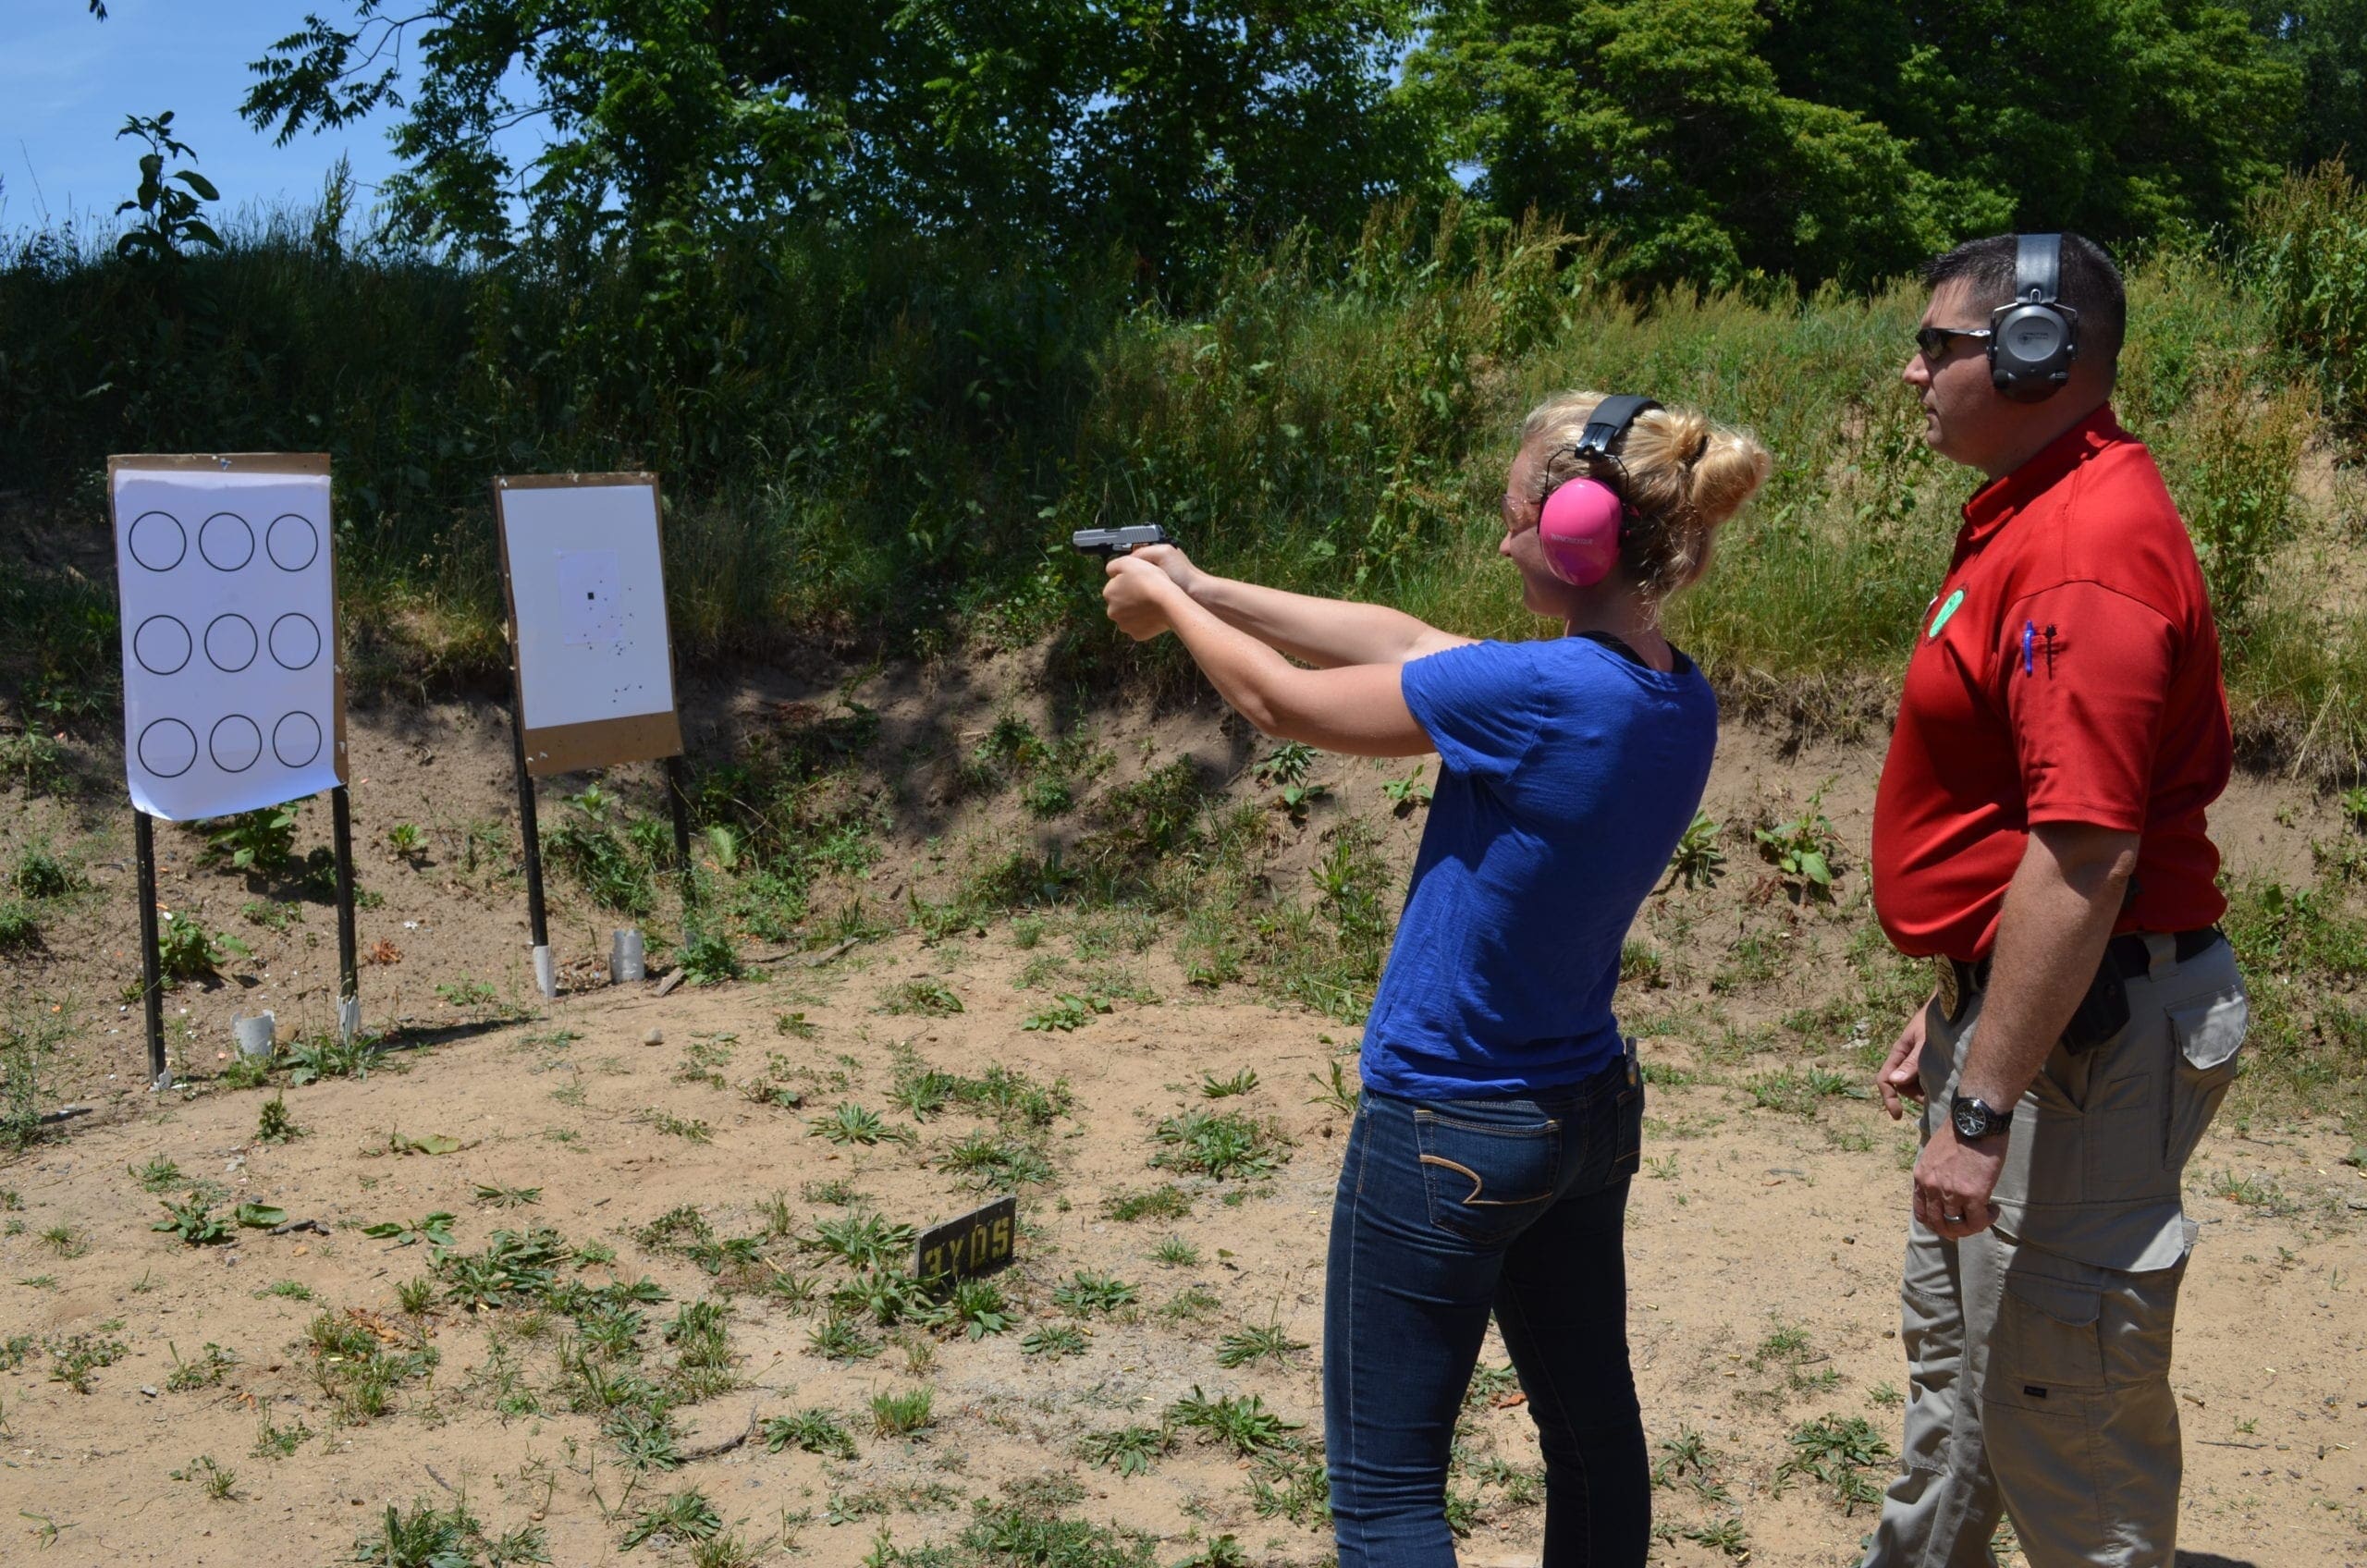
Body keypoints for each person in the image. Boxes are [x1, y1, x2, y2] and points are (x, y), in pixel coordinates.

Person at [1100, 392, 1770, 1566]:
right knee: (1591, 1435)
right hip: (1579, 1114)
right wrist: (1204, 586)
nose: (1502, 532)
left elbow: (1279, 702)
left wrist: (1157, 606)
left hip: (1446, 1124)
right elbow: (1407, 642)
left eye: (1516, 509)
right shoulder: (1668, 689)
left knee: (1388, 1491)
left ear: (1572, 531)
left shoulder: (1539, 694)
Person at [1861, 233, 2247, 1568]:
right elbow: (2027, 824)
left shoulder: (2082, 552)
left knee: (2058, 1403)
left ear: (2036, 353)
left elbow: (2087, 858)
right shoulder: (2038, 510)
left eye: (1936, 346)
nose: (1912, 373)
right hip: (2047, 1013)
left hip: (2093, 1036)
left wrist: (1983, 1102)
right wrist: (1962, 992)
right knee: (1965, 1375)